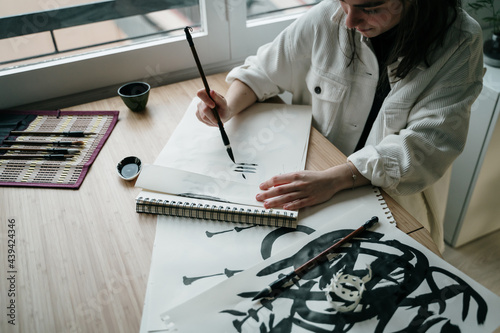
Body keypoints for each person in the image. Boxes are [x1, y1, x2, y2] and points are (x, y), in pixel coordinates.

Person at [195, 0, 484, 251]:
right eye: (344, 2)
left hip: (392, 196)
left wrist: (336, 179)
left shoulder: (460, 41)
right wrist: (228, 106)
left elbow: (427, 145)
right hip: (314, 177)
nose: (349, 20)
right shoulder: (328, 15)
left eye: (370, 8)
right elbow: (263, 70)